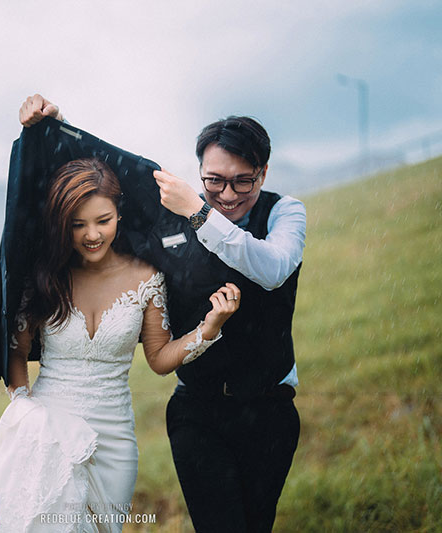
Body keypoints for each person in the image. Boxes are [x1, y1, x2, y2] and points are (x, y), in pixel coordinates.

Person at [20, 95, 306, 532]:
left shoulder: (284, 213)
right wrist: (59, 130)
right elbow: (110, 177)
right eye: (214, 181)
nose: (227, 195)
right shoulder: (168, 220)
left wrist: (199, 208)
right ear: (199, 172)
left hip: (270, 410)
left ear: (263, 173)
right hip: (198, 410)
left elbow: (272, 270)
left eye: (242, 182)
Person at [0, 156, 241, 532]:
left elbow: (159, 358)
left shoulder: (147, 278)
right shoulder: (44, 278)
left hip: (114, 442)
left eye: (102, 221)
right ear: (62, 225)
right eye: (78, 224)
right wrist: (26, 410)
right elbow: (16, 353)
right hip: (47, 435)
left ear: (118, 215)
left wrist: (210, 326)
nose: (92, 234)